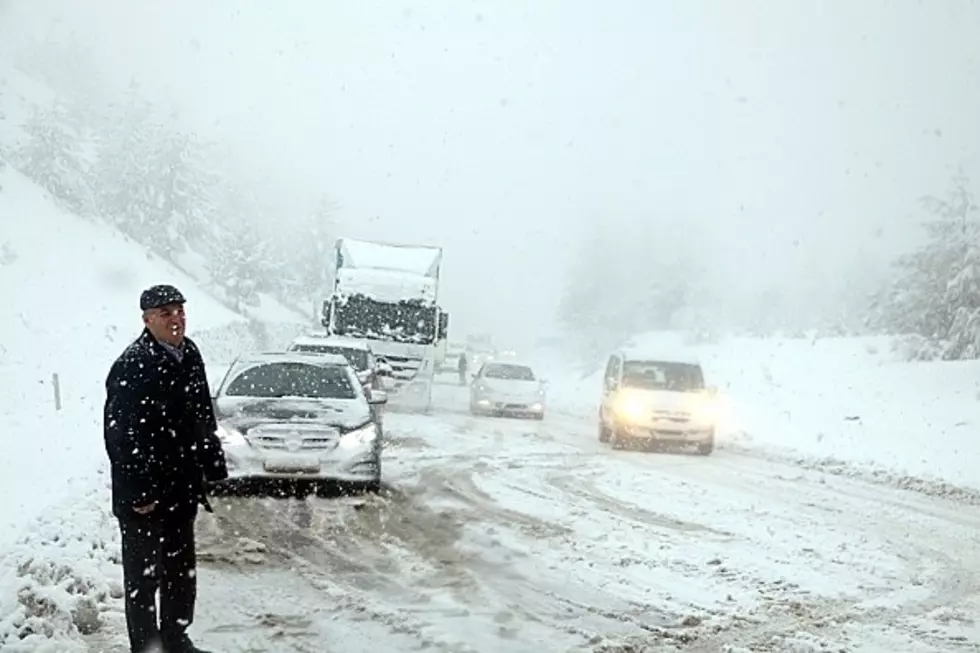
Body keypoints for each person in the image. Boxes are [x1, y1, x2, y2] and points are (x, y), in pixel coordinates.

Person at [103, 284, 228, 653]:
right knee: (144, 578)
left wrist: (212, 458)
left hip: (180, 487)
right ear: (147, 320)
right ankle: (147, 647)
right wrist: (139, 490)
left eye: (179, 311)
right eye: (165, 313)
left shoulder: (189, 354)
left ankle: (175, 637)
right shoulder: (132, 364)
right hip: (145, 495)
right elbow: (119, 436)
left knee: (179, 571)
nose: (176, 319)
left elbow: (202, 414)